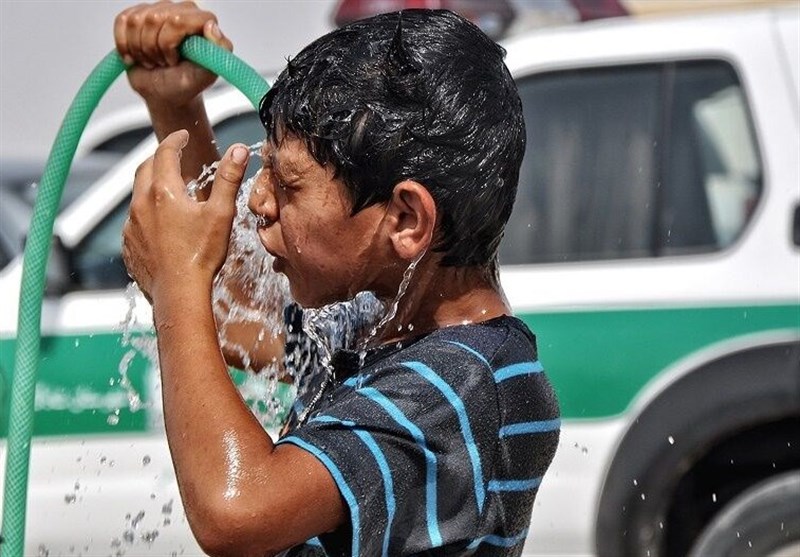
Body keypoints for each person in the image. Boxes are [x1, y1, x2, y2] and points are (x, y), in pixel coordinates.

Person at [115, 2, 560, 555]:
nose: (257, 200)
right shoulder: (382, 324)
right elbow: (234, 321)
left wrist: (176, 282)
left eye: (289, 184)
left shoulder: (460, 386)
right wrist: (177, 105)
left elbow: (236, 511)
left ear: (405, 219)